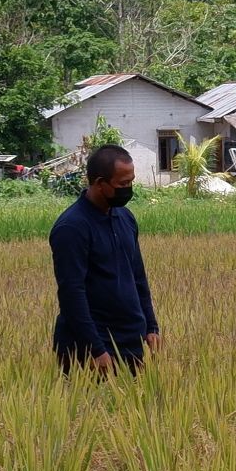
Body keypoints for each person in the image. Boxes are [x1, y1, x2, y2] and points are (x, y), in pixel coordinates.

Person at [51, 144, 161, 374]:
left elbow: (138, 276)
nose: (129, 189)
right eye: (123, 184)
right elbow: (72, 294)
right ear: (100, 183)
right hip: (91, 348)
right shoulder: (72, 227)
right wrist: (95, 349)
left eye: (131, 181)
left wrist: (150, 325)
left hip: (129, 341)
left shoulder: (125, 218)